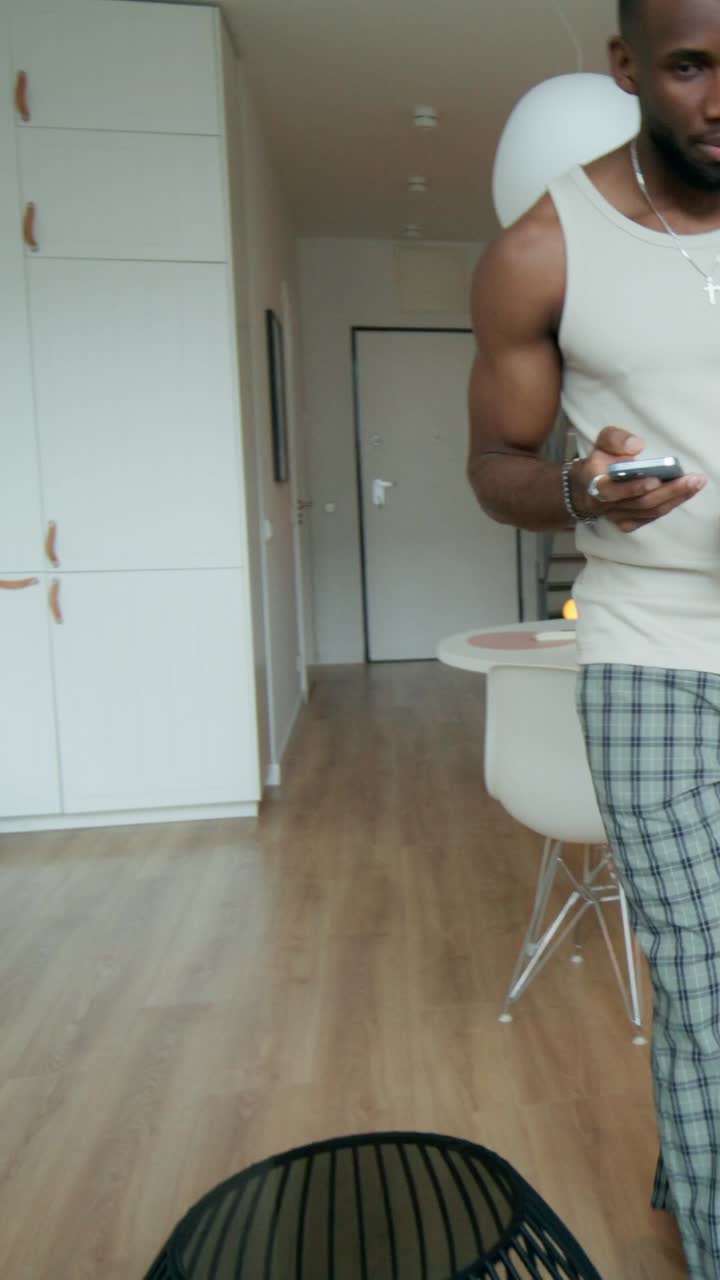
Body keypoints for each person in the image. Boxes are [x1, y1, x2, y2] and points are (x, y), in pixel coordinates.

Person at [467, 0, 720, 1275]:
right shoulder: (541, 248)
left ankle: (693, 1168)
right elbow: (496, 465)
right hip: (649, 652)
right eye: (692, 66)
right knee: (709, 970)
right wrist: (579, 488)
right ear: (627, 67)